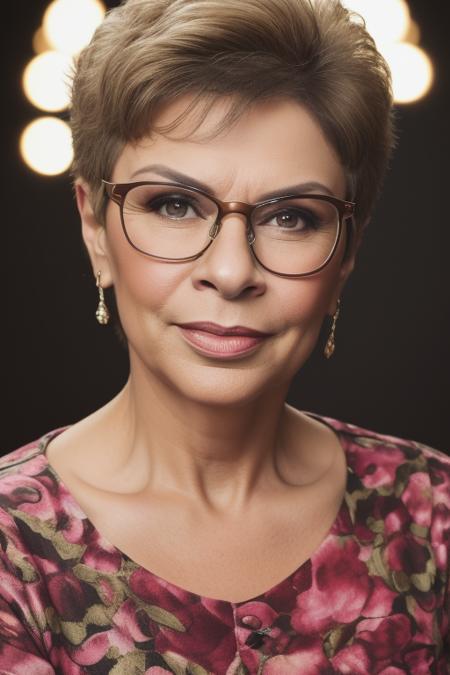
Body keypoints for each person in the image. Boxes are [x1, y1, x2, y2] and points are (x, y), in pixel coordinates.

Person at [0, 0, 448, 672]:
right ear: (94, 226)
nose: (233, 271)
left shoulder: (434, 516)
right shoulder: (11, 550)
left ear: (347, 252)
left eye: (292, 217)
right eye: (174, 205)